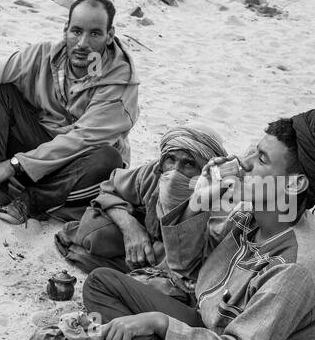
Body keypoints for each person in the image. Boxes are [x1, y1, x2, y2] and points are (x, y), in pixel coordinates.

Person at [80, 109, 315, 340]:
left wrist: (159, 323)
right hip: (209, 330)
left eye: (262, 160)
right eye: (253, 151)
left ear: (295, 184)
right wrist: (198, 201)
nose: (245, 164)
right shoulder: (253, 216)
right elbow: (185, 269)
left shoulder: (297, 267)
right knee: (100, 283)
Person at [0, 0, 139, 224]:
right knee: (1, 93)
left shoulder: (120, 82)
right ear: (65, 30)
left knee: (108, 158)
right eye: (76, 31)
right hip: (37, 147)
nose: (83, 43)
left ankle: (30, 201)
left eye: (95, 33)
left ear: (109, 35)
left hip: (78, 162)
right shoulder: (42, 55)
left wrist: (15, 165)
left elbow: (83, 139)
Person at [55, 123, 225, 300]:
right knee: (94, 230)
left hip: (179, 265)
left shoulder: (217, 201)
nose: (175, 171)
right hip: (147, 243)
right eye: (171, 159)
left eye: (189, 163)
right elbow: (109, 189)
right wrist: (131, 228)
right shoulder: (153, 174)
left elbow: (200, 266)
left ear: (206, 170)